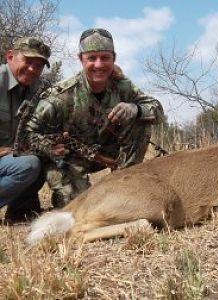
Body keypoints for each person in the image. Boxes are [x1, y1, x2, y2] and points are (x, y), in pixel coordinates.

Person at [25, 28, 164, 208]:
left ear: (114, 58)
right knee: (79, 206)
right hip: (70, 159)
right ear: (81, 59)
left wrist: (135, 108)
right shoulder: (60, 96)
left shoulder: (123, 86)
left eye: (105, 58)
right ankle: (66, 194)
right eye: (92, 58)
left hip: (106, 152)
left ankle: (124, 183)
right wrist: (49, 147)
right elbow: (28, 134)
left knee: (142, 119)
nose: (98, 65)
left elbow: (158, 111)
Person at [0, 37, 51, 223]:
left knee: (44, 157)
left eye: (38, 66)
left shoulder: (34, 90)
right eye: (28, 61)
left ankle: (21, 211)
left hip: (7, 159)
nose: (32, 69)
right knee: (28, 164)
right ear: (10, 56)